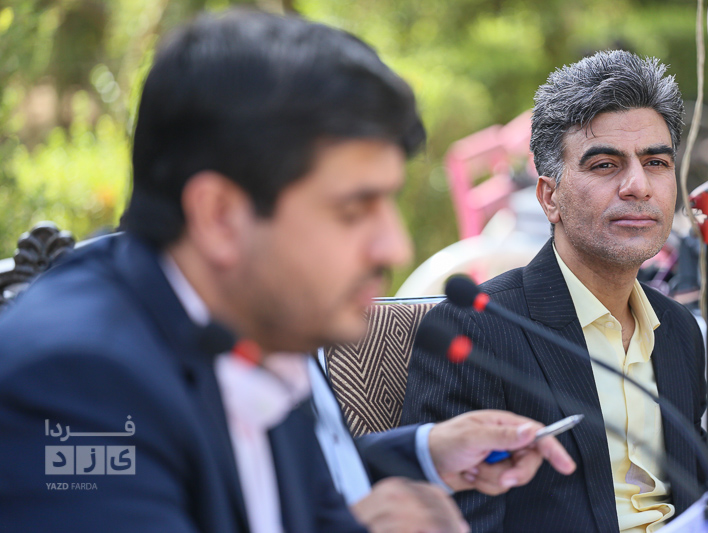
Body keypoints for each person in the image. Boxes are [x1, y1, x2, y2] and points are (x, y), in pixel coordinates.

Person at [0, 9, 575, 533]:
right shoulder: (75, 381)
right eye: (353, 209)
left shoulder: (258, 315)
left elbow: (294, 498)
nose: (394, 246)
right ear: (219, 215)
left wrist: (424, 455)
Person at [401, 50, 708, 533]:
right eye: (605, 164)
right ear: (549, 197)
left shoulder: (679, 329)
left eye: (656, 162)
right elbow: (454, 522)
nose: (638, 185)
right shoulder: (479, 330)